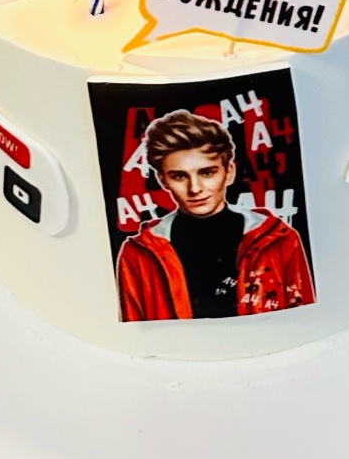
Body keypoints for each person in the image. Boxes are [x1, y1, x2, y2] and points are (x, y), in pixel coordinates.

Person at [115, 110, 314, 320]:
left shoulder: (280, 240)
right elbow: (136, 331)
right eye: (179, 176)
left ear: (229, 172)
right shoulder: (137, 255)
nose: (195, 188)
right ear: (163, 180)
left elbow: (306, 320)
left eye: (207, 173)